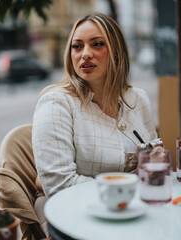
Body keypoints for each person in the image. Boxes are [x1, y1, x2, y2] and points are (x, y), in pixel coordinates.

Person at [32, 13, 157, 234]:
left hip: (134, 211)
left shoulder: (138, 99)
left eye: (97, 44)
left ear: (117, 51)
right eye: (77, 47)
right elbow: (59, 184)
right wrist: (131, 185)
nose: (85, 54)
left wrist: (156, 160)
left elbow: (152, 162)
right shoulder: (56, 102)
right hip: (76, 215)